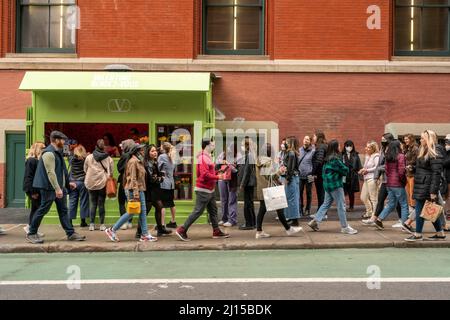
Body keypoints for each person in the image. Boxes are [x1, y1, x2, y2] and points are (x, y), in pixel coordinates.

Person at [26, 131, 86, 244]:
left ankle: (70, 233)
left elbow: (62, 171)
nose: (65, 142)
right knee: (43, 209)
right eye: (63, 140)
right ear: (56, 140)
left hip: (58, 187)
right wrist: (58, 189)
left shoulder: (57, 152)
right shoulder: (49, 153)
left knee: (63, 211)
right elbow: (51, 173)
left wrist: (67, 185)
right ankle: (31, 233)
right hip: (49, 188)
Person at [176, 138, 229, 241]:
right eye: (212, 145)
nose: (214, 146)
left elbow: (208, 172)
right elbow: (204, 174)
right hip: (203, 189)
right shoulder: (203, 158)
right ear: (207, 146)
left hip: (210, 189)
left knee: (213, 211)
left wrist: (218, 171)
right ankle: (182, 230)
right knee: (198, 211)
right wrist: (218, 177)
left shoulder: (207, 157)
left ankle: (216, 231)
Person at [105, 143, 157, 242]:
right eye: (142, 151)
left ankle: (144, 234)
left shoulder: (138, 161)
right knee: (132, 212)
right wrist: (136, 194)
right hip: (134, 190)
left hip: (138, 189)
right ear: (136, 152)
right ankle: (112, 230)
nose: (143, 152)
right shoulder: (133, 162)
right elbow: (133, 179)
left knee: (142, 212)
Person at [308, 140, 358, 235]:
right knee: (341, 206)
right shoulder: (335, 159)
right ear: (335, 147)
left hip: (327, 185)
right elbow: (345, 170)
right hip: (335, 185)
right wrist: (346, 167)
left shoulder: (327, 159)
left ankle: (315, 221)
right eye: (338, 145)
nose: (340, 147)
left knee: (325, 204)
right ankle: (344, 227)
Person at [255, 143, 303, 239]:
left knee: (274, 209)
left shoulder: (259, 160)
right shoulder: (266, 162)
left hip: (262, 188)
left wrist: (278, 179)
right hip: (268, 189)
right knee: (274, 209)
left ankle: (287, 229)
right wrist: (280, 172)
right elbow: (270, 176)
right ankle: (261, 231)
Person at [405, 130, 446, 241]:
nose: (421, 140)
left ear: (429, 139)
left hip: (427, 186)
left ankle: (418, 234)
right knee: (429, 209)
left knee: (420, 209)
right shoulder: (424, 150)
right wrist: (412, 168)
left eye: (423, 138)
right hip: (421, 184)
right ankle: (440, 233)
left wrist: (433, 191)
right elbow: (422, 168)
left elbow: (436, 173)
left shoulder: (435, 151)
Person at [365, 140, 410, 230]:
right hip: (398, 184)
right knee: (404, 204)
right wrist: (404, 181)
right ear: (397, 146)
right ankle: (405, 225)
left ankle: (379, 219)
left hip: (389, 183)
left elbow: (387, 170)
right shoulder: (401, 156)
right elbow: (401, 172)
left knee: (391, 204)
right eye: (400, 145)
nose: (402, 146)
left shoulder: (388, 156)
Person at [139, 144, 172, 238]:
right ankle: (139, 232)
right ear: (148, 153)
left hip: (154, 190)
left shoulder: (153, 161)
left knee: (159, 207)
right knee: (146, 210)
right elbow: (151, 179)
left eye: (155, 151)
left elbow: (155, 174)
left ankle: (160, 229)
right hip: (149, 190)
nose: (155, 153)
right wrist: (160, 178)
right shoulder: (147, 163)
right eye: (152, 151)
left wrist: (160, 175)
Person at [84, 139, 114, 232]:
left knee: (92, 203)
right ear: (104, 147)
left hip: (91, 182)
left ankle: (92, 224)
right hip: (103, 182)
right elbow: (111, 171)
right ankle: (101, 224)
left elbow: (85, 169)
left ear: (95, 146)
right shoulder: (108, 158)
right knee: (101, 204)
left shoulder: (89, 157)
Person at [23, 141, 46, 236]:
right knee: (38, 209)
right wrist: (33, 191)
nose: (45, 149)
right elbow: (29, 177)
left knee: (35, 209)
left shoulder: (36, 160)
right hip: (33, 189)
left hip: (35, 189)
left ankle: (32, 228)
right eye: (43, 148)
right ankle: (31, 228)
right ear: (38, 149)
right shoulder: (31, 161)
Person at [216, 143, 239, 227]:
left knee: (232, 200)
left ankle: (232, 220)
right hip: (222, 179)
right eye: (228, 148)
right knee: (223, 199)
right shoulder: (222, 154)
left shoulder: (238, 157)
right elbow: (217, 163)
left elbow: (237, 170)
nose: (229, 150)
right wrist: (221, 161)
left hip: (232, 181)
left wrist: (229, 164)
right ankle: (224, 218)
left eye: (231, 148)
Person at [238, 137, 257, 230]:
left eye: (242, 144)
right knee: (250, 202)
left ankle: (249, 223)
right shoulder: (249, 155)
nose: (241, 146)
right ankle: (253, 222)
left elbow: (247, 171)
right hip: (249, 183)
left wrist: (242, 184)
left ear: (246, 146)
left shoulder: (249, 155)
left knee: (247, 203)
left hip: (248, 183)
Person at [68, 145, 90, 228]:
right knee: (83, 201)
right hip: (82, 182)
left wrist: (71, 149)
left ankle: (69, 222)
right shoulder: (85, 159)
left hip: (72, 182)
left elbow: (69, 155)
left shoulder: (71, 159)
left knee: (72, 201)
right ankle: (83, 221)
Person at [117, 139, 135, 230]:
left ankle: (123, 222)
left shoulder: (124, 155)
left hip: (124, 181)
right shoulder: (135, 155)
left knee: (121, 201)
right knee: (130, 201)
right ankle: (129, 221)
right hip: (132, 181)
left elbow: (119, 168)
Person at [282, 136, 301, 227]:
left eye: (286, 142)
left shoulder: (291, 153)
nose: (285, 143)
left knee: (292, 199)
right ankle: (292, 217)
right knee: (292, 198)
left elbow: (290, 168)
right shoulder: (292, 153)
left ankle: (294, 220)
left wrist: (287, 179)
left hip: (292, 178)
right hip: (294, 177)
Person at [359, 141, 380, 219]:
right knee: (363, 197)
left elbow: (377, 167)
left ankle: (374, 216)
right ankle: (369, 211)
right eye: (366, 146)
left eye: (368, 147)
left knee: (373, 199)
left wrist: (367, 170)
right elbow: (366, 167)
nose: (366, 148)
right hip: (367, 179)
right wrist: (363, 170)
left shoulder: (376, 156)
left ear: (373, 149)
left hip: (372, 179)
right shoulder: (369, 156)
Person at [159, 142, 177, 228]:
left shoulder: (162, 156)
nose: (159, 148)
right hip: (171, 183)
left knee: (162, 204)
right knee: (171, 203)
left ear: (163, 148)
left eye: (161, 146)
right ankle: (173, 221)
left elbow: (158, 168)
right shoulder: (172, 156)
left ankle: (162, 224)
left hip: (164, 183)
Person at [341, 140, 362, 212]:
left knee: (351, 192)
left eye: (350, 146)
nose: (349, 147)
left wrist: (358, 173)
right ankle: (342, 206)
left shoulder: (355, 155)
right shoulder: (342, 155)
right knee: (342, 192)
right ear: (345, 146)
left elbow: (359, 166)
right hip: (344, 176)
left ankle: (351, 206)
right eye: (347, 146)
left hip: (353, 176)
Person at [298, 135, 315, 217]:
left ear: (310, 141)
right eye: (305, 139)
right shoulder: (299, 150)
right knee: (299, 192)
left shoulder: (313, 151)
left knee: (309, 193)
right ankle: (300, 208)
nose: (306, 141)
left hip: (310, 176)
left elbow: (314, 163)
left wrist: (312, 172)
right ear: (303, 140)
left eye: (308, 139)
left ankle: (308, 209)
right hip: (300, 175)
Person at [312, 130, 328, 210]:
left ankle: (322, 212)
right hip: (323, 173)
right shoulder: (323, 145)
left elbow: (319, 160)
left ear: (318, 137)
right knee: (322, 193)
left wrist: (312, 172)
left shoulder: (320, 147)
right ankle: (321, 211)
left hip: (320, 174)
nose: (313, 138)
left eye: (314, 136)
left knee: (321, 193)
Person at [404, 134, 419, 214]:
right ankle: (411, 208)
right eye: (405, 139)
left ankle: (414, 209)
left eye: (407, 139)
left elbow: (416, 160)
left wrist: (408, 165)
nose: (405, 140)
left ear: (411, 139)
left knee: (412, 192)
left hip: (413, 173)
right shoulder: (407, 148)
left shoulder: (415, 148)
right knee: (408, 192)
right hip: (408, 173)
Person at [444, 134, 450, 218]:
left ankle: (448, 213)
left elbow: (445, 163)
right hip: (447, 177)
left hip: (449, 178)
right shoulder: (447, 152)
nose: (446, 144)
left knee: (448, 196)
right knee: (447, 196)